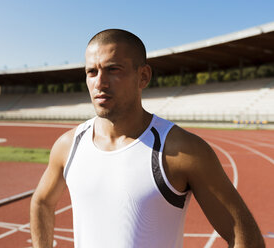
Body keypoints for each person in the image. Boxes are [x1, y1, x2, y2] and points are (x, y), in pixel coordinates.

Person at [30, 29, 265, 248]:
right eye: (92, 72)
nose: (99, 83)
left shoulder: (182, 151)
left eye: (113, 69)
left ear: (143, 76)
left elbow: (244, 235)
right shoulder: (68, 145)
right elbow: (41, 202)